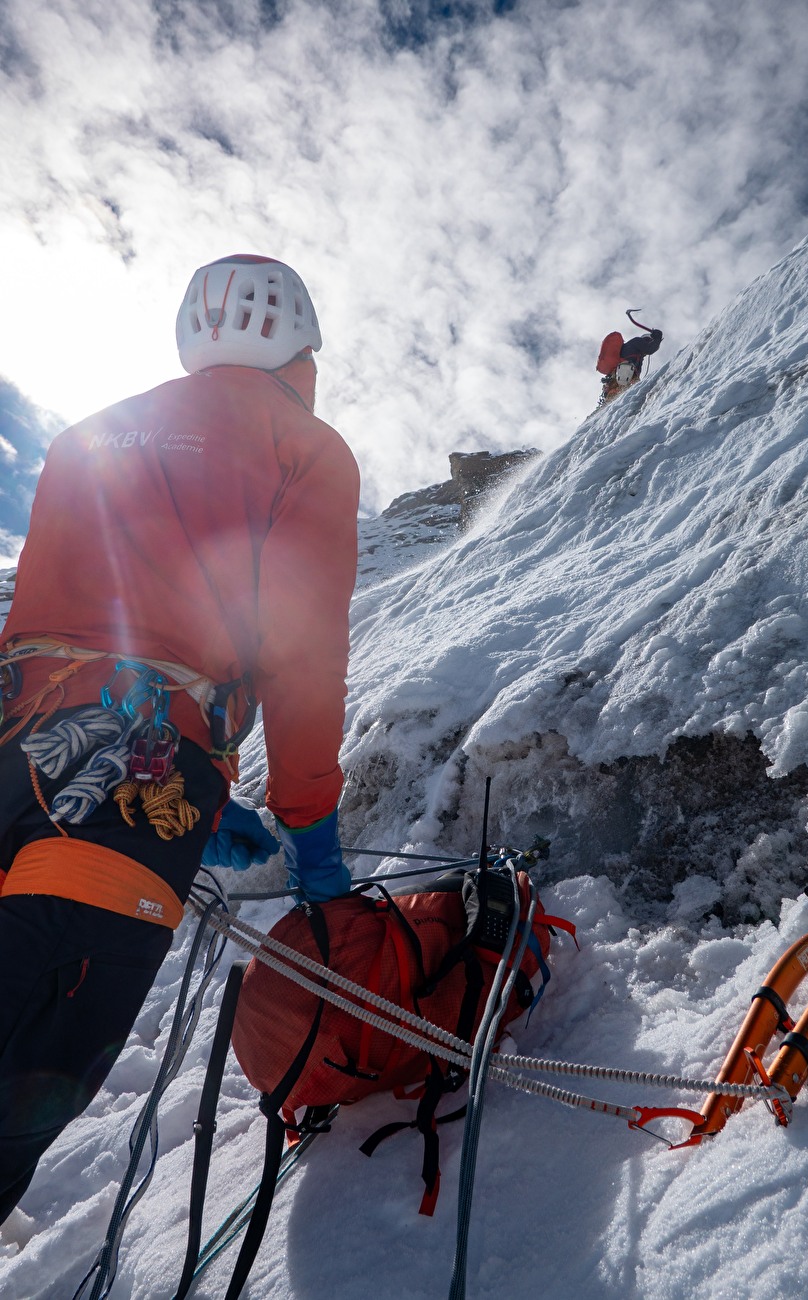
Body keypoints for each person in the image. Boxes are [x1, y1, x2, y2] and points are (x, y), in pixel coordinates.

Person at [0, 254, 360, 1222]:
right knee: (18, 1087)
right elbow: (302, 655)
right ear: (299, 349)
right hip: (129, 793)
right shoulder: (305, 444)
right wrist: (308, 828)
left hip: (14, 750)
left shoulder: (87, 436)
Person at [600, 326, 663, 402]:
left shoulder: (637, 352)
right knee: (627, 388)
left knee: (618, 393)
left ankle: (609, 401)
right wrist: (658, 337)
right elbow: (650, 349)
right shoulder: (638, 341)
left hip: (619, 374)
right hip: (625, 370)